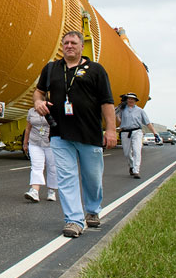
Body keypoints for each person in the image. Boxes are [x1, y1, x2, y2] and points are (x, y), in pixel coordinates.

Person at [33, 31, 116, 238]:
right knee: (66, 177)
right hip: (60, 132)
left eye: (73, 43)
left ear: (81, 47)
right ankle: (73, 220)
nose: (69, 46)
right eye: (66, 42)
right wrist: (38, 102)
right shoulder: (52, 68)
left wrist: (111, 130)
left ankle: (93, 210)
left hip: (89, 132)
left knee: (92, 178)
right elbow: (39, 91)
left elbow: (107, 102)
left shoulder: (95, 70)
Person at [115, 92, 157, 179]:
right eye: (129, 98)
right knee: (127, 153)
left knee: (137, 151)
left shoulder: (140, 110)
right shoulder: (122, 109)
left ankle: (136, 171)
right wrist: (118, 114)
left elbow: (147, 123)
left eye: (132, 99)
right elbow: (118, 120)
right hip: (125, 132)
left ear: (135, 101)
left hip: (137, 131)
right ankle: (131, 165)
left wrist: (155, 133)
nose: (130, 100)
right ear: (126, 100)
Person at [22, 106, 58, 202]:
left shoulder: (53, 109)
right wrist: (25, 143)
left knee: (52, 167)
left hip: (50, 143)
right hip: (34, 142)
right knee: (36, 166)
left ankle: (51, 190)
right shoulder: (31, 111)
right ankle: (34, 191)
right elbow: (28, 128)